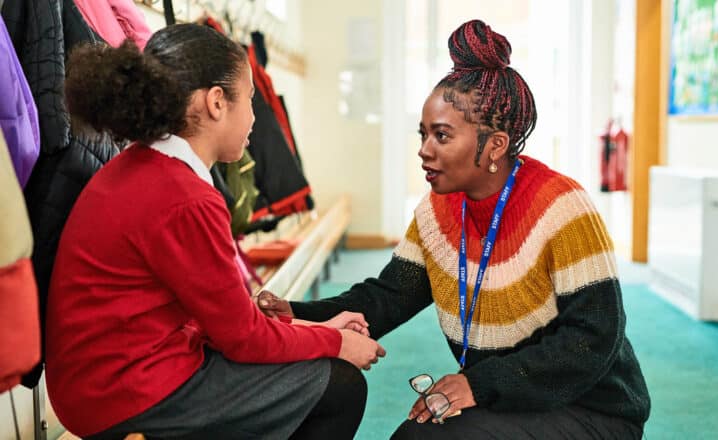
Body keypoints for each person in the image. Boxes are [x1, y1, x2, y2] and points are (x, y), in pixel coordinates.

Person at [258, 19, 651, 439]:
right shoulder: (439, 210)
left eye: (441, 136)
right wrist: (297, 314)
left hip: (592, 408)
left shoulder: (562, 208)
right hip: (510, 397)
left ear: (495, 145)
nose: (424, 151)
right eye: (423, 134)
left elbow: (592, 341)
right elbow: (387, 297)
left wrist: (477, 385)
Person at [44, 24, 385, 440]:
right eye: (251, 101)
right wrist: (336, 345)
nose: (255, 119)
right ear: (217, 102)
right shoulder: (184, 196)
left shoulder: (142, 165)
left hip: (100, 386)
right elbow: (242, 339)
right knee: (340, 386)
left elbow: (222, 324)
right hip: (126, 395)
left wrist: (319, 329)